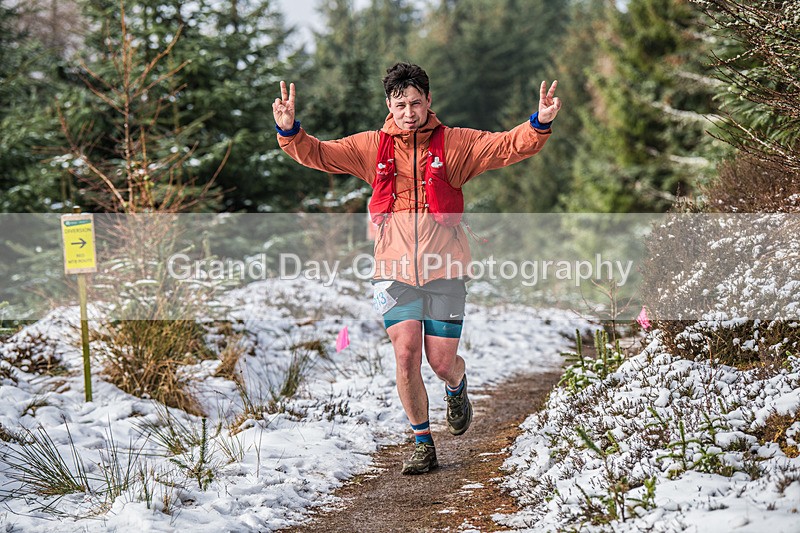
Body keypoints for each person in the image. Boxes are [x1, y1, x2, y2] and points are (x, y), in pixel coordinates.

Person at [272, 63, 561, 475]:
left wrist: (539, 123)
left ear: (429, 102)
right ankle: (422, 441)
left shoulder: (455, 144)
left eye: (416, 103)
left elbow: (505, 146)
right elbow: (320, 153)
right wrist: (290, 132)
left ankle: (456, 385)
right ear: (389, 104)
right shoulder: (372, 146)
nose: (409, 111)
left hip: (445, 268)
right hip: (392, 269)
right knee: (405, 353)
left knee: (441, 362)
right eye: (400, 103)